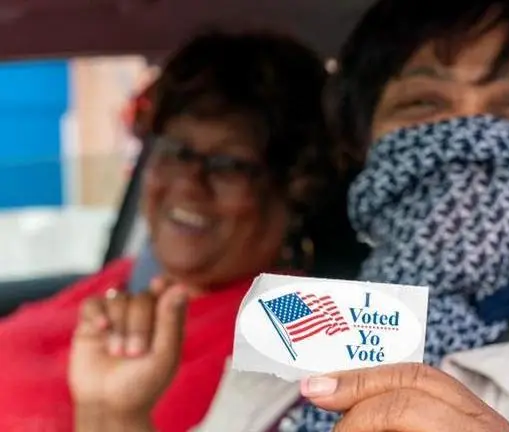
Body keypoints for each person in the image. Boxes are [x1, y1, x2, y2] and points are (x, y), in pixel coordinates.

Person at [76, 1, 509, 431]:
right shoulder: (307, 324)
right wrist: (113, 415)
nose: (465, 141)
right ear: (363, 145)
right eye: (422, 108)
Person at [0, 30, 341, 432]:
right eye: (176, 150)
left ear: (296, 185)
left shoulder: (305, 321)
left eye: (228, 164)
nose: (188, 182)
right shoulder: (124, 281)